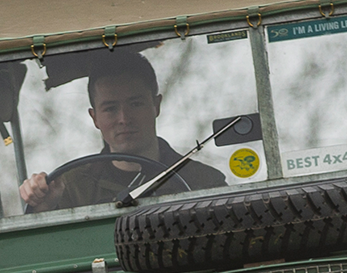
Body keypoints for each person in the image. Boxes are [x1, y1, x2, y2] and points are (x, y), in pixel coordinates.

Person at [19, 51, 226, 212]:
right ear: (95, 118)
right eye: (110, 109)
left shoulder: (205, 183)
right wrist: (43, 208)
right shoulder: (69, 190)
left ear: (156, 106)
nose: (124, 119)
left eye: (135, 104)